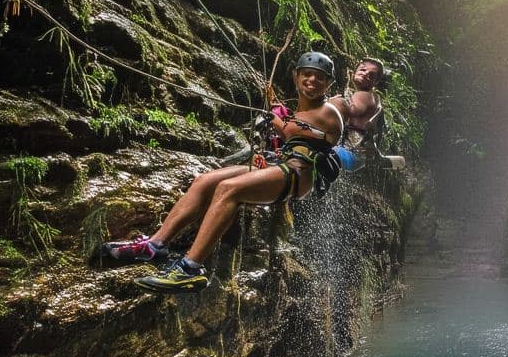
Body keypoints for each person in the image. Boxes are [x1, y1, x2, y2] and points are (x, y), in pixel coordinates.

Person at [101, 54, 387, 293]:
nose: (312, 81)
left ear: (328, 84)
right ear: (296, 76)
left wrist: (274, 117)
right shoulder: (296, 109)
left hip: (298, 174)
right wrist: (276, 113)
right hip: (281, 164)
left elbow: (298, 129)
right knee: (206, 181)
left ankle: (191, 268)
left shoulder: (335, 106)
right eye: (307, 75)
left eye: (320, 78)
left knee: (230, 189)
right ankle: (154, 245)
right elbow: (291, 126)